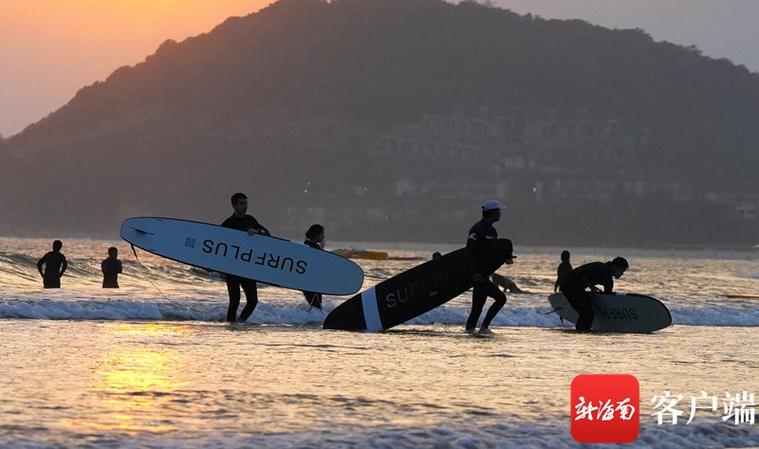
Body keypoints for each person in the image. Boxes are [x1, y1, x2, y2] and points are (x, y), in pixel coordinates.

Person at [221, 192, 270, 322]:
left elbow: (267, 233)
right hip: (231, 268)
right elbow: (218, 245)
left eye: (246, 203)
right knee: (234, 301)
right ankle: (230, 324)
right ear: (234, 205)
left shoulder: (250, 220)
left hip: (247, 267)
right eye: (242, 203)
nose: (245, 206)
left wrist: (257, 232)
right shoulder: (228, 223)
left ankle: (241, 322)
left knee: (253, 300)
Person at [464, 200, 512, 336]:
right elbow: (469, 251)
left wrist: (505, 256)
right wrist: (474, 273)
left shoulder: (492, 230)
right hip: (478, 275)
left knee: (477, 308)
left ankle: (470, 331)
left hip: (484, 275)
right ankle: (484, 328)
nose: (500, 214)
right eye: (498, 211)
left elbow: (491, 254)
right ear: (491, 213)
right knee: (501, 298)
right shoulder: (477, 229)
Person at [559, 257, 629, 331]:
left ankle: (583, 331)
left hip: (579, 288)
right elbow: (580, 274)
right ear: (615, 266)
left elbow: (608, 296)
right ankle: (581, 332)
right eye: (622, 270)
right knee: (587, 311)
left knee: (589, 311)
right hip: (569, 284)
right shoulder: (599, 267)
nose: (622, 274)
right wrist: (591, 286)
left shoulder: (609, 281)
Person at [302, 224, 325, 309]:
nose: (323, 236)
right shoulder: (309, 247)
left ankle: (311, 319)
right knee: (317, 307)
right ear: (317, 235)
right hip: (309, 282)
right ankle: (308, 320)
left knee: (316, 307)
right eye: (322, 234)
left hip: (314, 282)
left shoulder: (314, 246)